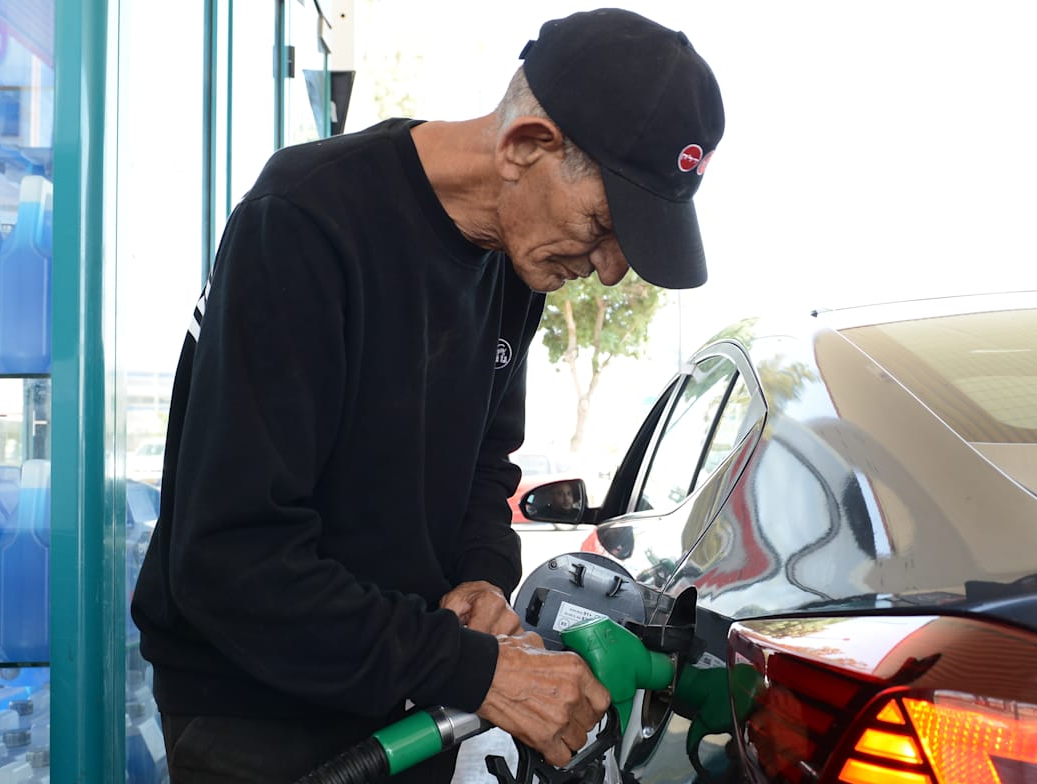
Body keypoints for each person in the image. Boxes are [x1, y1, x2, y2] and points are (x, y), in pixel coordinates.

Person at [129, 8, 725, 784]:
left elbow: (485, 461)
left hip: (404, 691)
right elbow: (230, 558)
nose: (609, 269)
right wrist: (480, 672)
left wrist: (479, 574)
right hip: (257, 706)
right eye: (604, 224)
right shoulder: (308, 220)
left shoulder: (518, 262)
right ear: (526, 146)